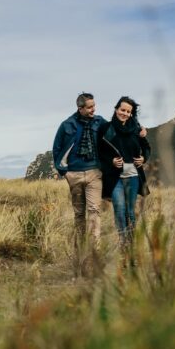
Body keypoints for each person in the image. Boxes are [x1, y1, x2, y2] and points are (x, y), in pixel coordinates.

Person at [53, 92, 107, 246]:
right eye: (90, 107)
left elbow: (114, 132)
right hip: (74, 174)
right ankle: (80, 248)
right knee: (79, 214)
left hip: (94, 173)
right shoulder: (66, 125)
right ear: (80, 108)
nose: (93, 110)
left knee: (94, 210)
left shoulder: (99, 121)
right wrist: (65, 172)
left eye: (94, 106)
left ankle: (93, 250)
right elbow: (56, 149)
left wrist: (139, 131)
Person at [97, 96, 151, 246]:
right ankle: (123, 242)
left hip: (133, 176)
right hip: (115, 177)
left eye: (128, 111)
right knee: (120, 209)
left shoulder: (137, 129)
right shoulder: (106, 129)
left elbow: (146, 147)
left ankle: (132, 242)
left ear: (131, 114)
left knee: (130, 211)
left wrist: (143, 158)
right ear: (116, 109)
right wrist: (111, 161)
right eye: (122, 110)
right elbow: (99, 153)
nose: (125, 113)